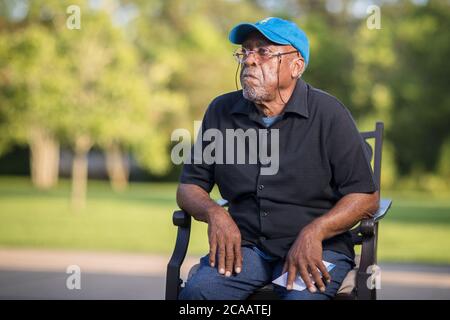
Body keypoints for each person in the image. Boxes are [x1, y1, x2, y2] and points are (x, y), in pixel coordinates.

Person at [177, 17, 379, 300]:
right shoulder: (221, 111)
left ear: (296, 65)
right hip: (246, 249)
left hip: (317, 248)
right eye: (246, 51)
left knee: (300, 299)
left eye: (264, 52)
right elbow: (189, 187)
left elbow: (366, 197)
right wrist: (214, 213)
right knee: (198, 294)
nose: (249, 60)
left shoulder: (329, 114)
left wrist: (316, 231)